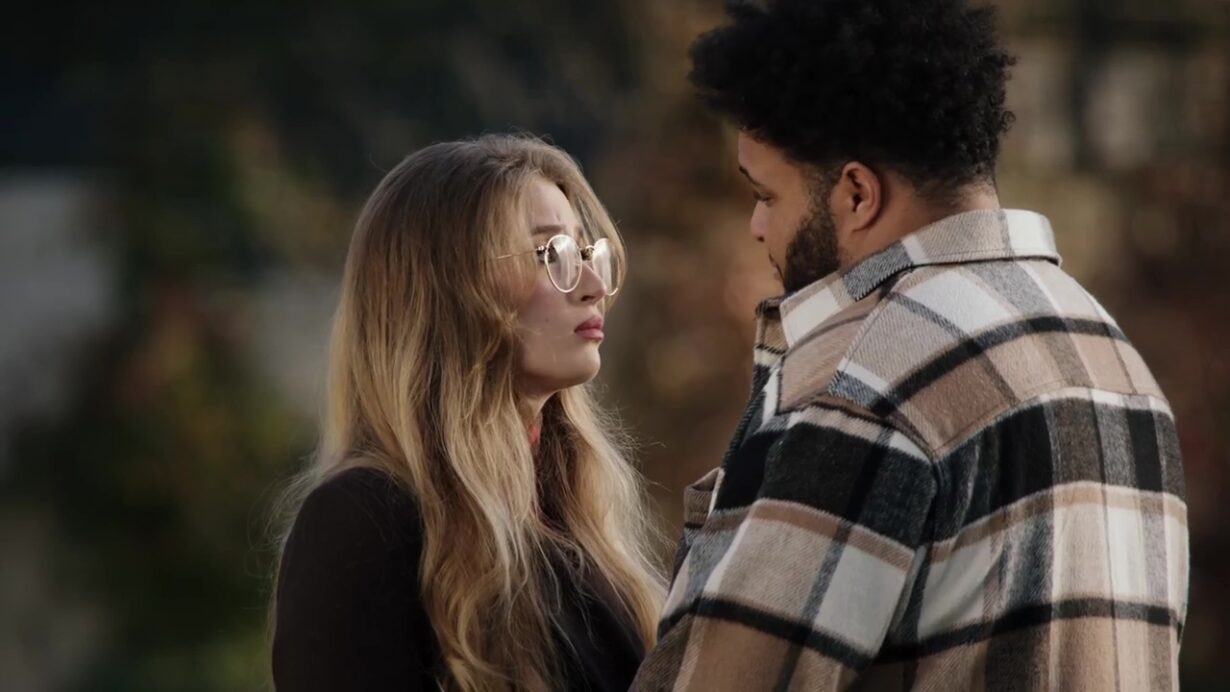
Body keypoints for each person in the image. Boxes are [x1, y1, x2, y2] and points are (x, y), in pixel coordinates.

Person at [633, 1, 1188, 689]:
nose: (756, 226)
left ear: (857, 194)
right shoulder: (1117, 363)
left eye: (766, 195)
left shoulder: (861, 384)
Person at [271, 134, 663, 691]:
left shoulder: (573, 522)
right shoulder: (361, 523)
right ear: (446, 288)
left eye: (584, 253)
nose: (594, 287)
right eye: (551, 255)